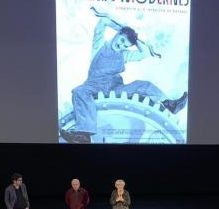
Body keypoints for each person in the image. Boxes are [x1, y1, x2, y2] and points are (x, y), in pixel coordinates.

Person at [63, 10, 188, 144]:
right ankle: (83, 135)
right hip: (94, 86)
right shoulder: (99, 45)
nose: (121, 45)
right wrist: (123, 27)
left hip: (114, 89)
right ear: (118, 34)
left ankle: (170, 104)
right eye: (122, 40)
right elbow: (103, 22)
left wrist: (135, 39)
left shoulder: (124, 55)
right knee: (79, 91)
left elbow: (144, 53)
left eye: (125, 45)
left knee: (143, 85)